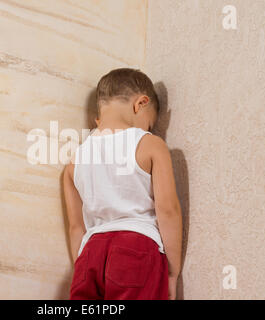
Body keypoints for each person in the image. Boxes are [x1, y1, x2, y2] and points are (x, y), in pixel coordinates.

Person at [63, 68, 182, 300]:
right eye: (149, 123)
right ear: (140, 104)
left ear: (99, 117)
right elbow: (168, 210)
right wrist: (173, 272)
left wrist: (82, 268)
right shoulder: (150, 144)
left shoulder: (74, 162)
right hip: (136, 247)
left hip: (90, 254)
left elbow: (76, 228)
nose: (148, 129)